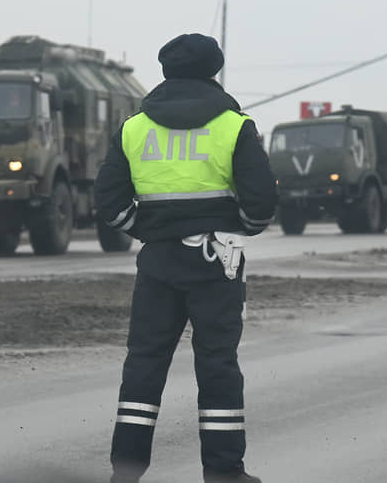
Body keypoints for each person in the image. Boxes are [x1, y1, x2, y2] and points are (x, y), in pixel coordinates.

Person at [95, 33, 278, 483]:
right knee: (216, 365)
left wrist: (147, 231)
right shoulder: (234, 126)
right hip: (216, 263)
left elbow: (109, 202)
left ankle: (126, 472)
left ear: (164, 72)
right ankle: (223, 472)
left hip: (157, 263)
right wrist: (240, 229)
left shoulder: (134, 128)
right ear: (213, 70)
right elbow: (261, 201)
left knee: (143, 364)